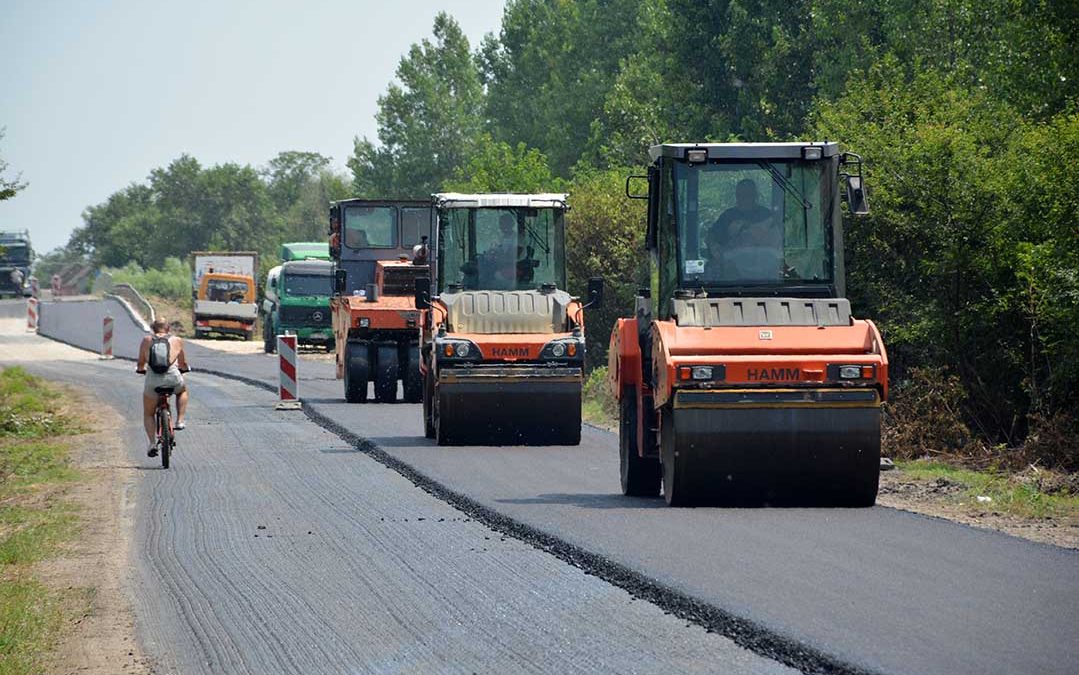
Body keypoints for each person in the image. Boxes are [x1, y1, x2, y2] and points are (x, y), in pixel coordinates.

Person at [136, 318, 190, 457]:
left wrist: (141, 369)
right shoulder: (177, 340)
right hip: (172, 377)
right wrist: (184, 368)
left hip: (153, 380)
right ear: (168, 328)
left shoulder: (146, 340)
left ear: (153, 328)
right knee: (182, 390)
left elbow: (141, 363)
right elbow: (183, 363)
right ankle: (180, 421)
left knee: (148, 413)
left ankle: (152, 443)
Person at [709, 178, 774, 248]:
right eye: (740, 194)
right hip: (732, 257)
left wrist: (748, 227)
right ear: (736, 195)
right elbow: (712, 236)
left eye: (747, 194)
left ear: (755, 195)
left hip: (762, 257)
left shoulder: (766, 215)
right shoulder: (727, 215)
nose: (744, 197)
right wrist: (713, 246)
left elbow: (775, 240)